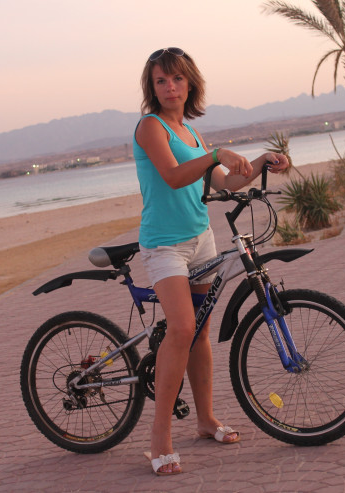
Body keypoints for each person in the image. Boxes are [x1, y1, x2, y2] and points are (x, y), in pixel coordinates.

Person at [133, 47, 289, 476]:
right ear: (153, 87)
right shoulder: (150, 127)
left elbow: (226, 182)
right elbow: (173, 177)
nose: (170, 87)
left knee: (200, 331)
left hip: (200, 239)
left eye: (177, 79)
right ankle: (159, 438)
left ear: (190, 83)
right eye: (161, 80)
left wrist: (261, 160)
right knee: (182, 329)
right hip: (164, 245)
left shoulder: (192, 133)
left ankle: (205, 420)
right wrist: (217, 153)